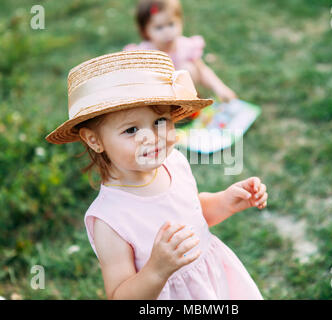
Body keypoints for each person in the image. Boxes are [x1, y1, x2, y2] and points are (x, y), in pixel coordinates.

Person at [45, 50, 267, 300]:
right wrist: (156, 270)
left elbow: (192, 215)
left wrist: (225, 202)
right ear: (94, 139)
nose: (152, 137)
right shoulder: (110, 220)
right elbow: (119, 296)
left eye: (160, 121)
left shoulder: (175, 162)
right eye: (131, 129)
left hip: (212, 283)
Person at [124, 0, 237, 120]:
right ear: (145, 31)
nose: (167, 32)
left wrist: (219, 87)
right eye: (159, 27)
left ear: (180, 22)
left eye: (171, 24)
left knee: (190, 68)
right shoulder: (145, 54)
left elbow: (202, 69)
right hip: (159, 97)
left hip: (182, 91)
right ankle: (166, 114)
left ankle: (188, 105)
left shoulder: (185, 46)